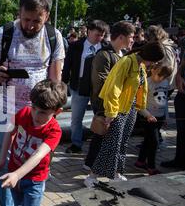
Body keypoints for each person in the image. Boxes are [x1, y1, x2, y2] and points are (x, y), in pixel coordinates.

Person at [0, 0, 65, 206]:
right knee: (5, 158)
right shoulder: (3, 34)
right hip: (7, 110)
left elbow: (55, 80)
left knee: (33, 158)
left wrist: (52, 112)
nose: (30, 26)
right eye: (26, 19)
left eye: (36, 21)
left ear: (46, 15)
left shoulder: (54, 36)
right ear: (19, 12)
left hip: (37, 113)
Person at [0, 80, 68, 206]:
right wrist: (2, 158)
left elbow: (39, 155)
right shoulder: (25, 113)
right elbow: (9, 131)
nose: (35, 115)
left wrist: (17, 175)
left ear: (57, 112)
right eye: (34, 108)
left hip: (34, 180)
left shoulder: (54, 131)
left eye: (42, 112)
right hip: (15, 173)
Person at [84, 42, 166, 187]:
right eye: (155, 60)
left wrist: (145, 112)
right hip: (119, 111)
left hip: (130, 111)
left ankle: (116, 174)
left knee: (122, 144)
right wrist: (111, 112)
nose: (155, 63)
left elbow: (139, 93)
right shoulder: (127, 62)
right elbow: (113, 88)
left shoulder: (140, 66)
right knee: (111, 145)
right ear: (150, 56)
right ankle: (91, 177)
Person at [85, 21, 136, 170]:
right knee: (100, 133)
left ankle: (97, 163)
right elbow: (100, 82)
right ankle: (90, 163)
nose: (132, 40)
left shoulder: (123, 55)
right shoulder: (104, 55)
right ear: (121, 37)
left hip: (118, 103)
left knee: (107, 135)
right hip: (104, 103)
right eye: (130, 37)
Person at [62, 20, 109, 154]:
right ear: (89, 31)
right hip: (79, 86)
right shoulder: (76, 46)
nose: (100, 37)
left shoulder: (106, 47)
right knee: (76, 118)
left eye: (102, 35)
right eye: (97, 34)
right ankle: (76, 144)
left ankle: (99, 146)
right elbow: (67, 66)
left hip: (99, 89)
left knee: (100, 118)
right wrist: (63, 84)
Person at [135, 62, 173, 175]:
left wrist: (166, 116)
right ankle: (151, 167)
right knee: (154, 142)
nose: (161, 79)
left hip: (160, 117)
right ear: (153, 70)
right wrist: (148, 115)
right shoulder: (146, 83)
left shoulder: (165, 83)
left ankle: (140, 162)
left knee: (148, 140)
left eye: (164, 77)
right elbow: (139, 103)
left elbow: (165, 101)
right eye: (160, 75)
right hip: (148, 117)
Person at [161, 58, 185, 170]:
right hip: (183, 94)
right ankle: (180, 160)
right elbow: (184, 61)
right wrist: (178, 75)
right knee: (182, 131)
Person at [146, 25, 178, 94]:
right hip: (164, 83)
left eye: (149, 38)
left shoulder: (165, 47)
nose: (148, 40)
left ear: (155, 36)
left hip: (163, 84)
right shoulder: (167, 45)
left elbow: (167, 67)